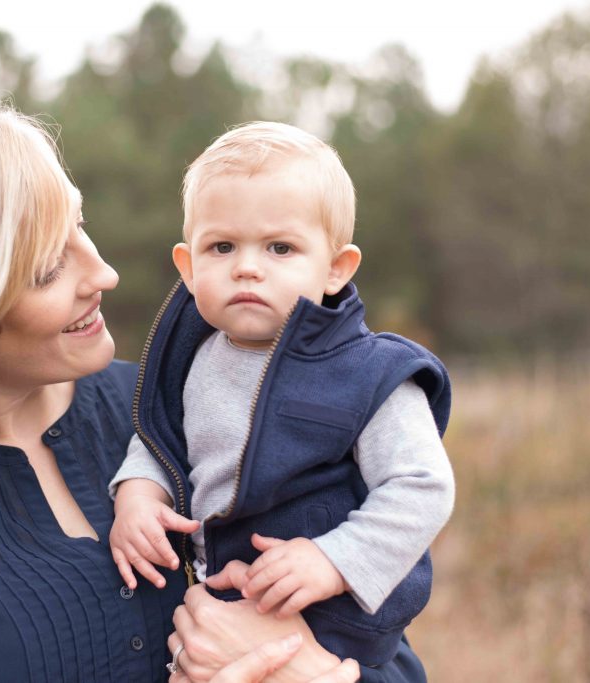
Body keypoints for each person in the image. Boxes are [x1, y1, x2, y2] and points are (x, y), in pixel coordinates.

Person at [0, 102, 361, 682]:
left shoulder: (176, 409)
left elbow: (383, 645)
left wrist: (309, 671)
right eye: (49, 265)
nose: (103, 274)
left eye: (80, 224)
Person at [108, 122, 455, 678]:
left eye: (280, 247)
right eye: (222, 247)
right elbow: (162, 442)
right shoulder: (188, 358)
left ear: (336, 269)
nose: (248, 266)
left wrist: (333, 559)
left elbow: (422, 487)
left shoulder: (369, 374)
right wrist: (137, 495)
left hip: (334, 613)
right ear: (188, 267)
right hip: (221, 601)